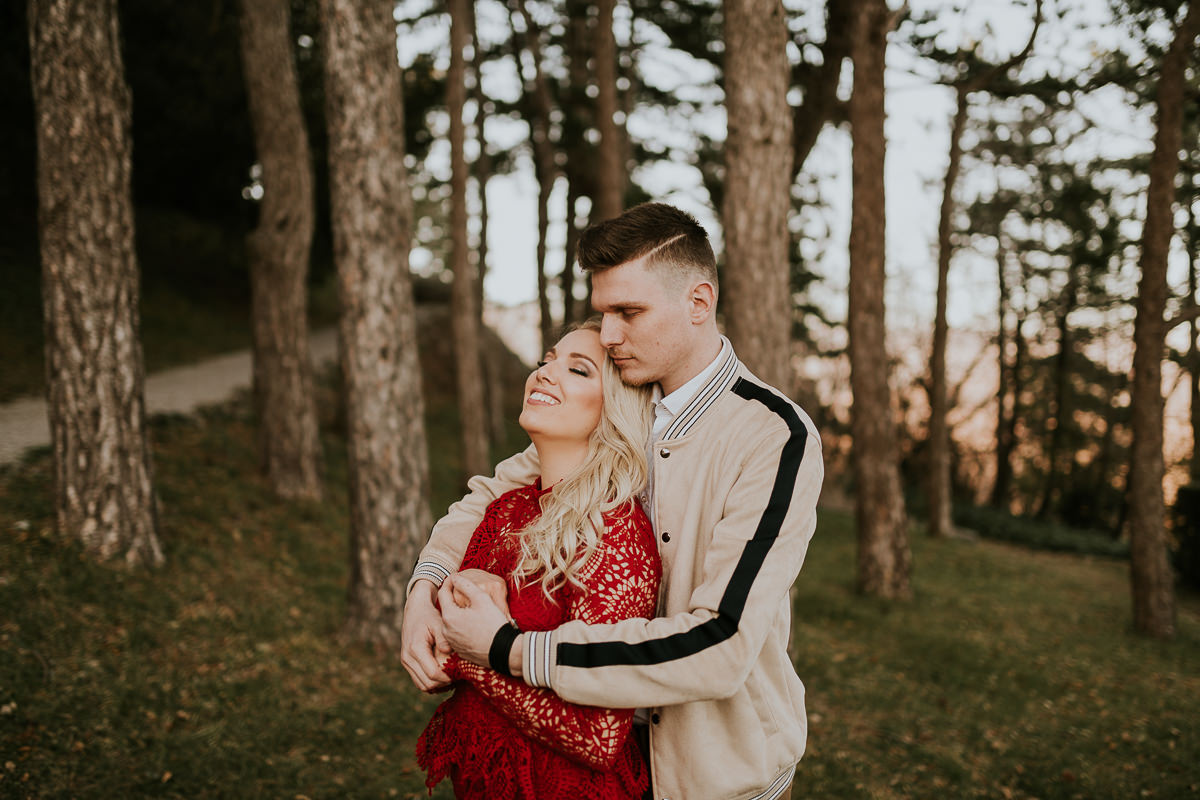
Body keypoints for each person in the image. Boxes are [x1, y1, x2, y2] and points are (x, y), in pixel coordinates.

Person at [402, 202, 824, 800]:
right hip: (592, 766)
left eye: (629, 312)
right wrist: (425, 590)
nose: (609, 335)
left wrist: (509, 650)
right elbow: (495, 494)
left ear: (699, 302)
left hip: (716, 774)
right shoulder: (618, 403)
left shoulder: (774, 435)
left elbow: (723, 641)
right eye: (604, 313)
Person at [415, 320, 662, 799]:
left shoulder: (614, 532)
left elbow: (598, 737)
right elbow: (449, 631)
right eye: (547, 360)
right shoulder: (508, 510)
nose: (545, 373)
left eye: (578, 369)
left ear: (614, 410)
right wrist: (444, 593)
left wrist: (474, 659)